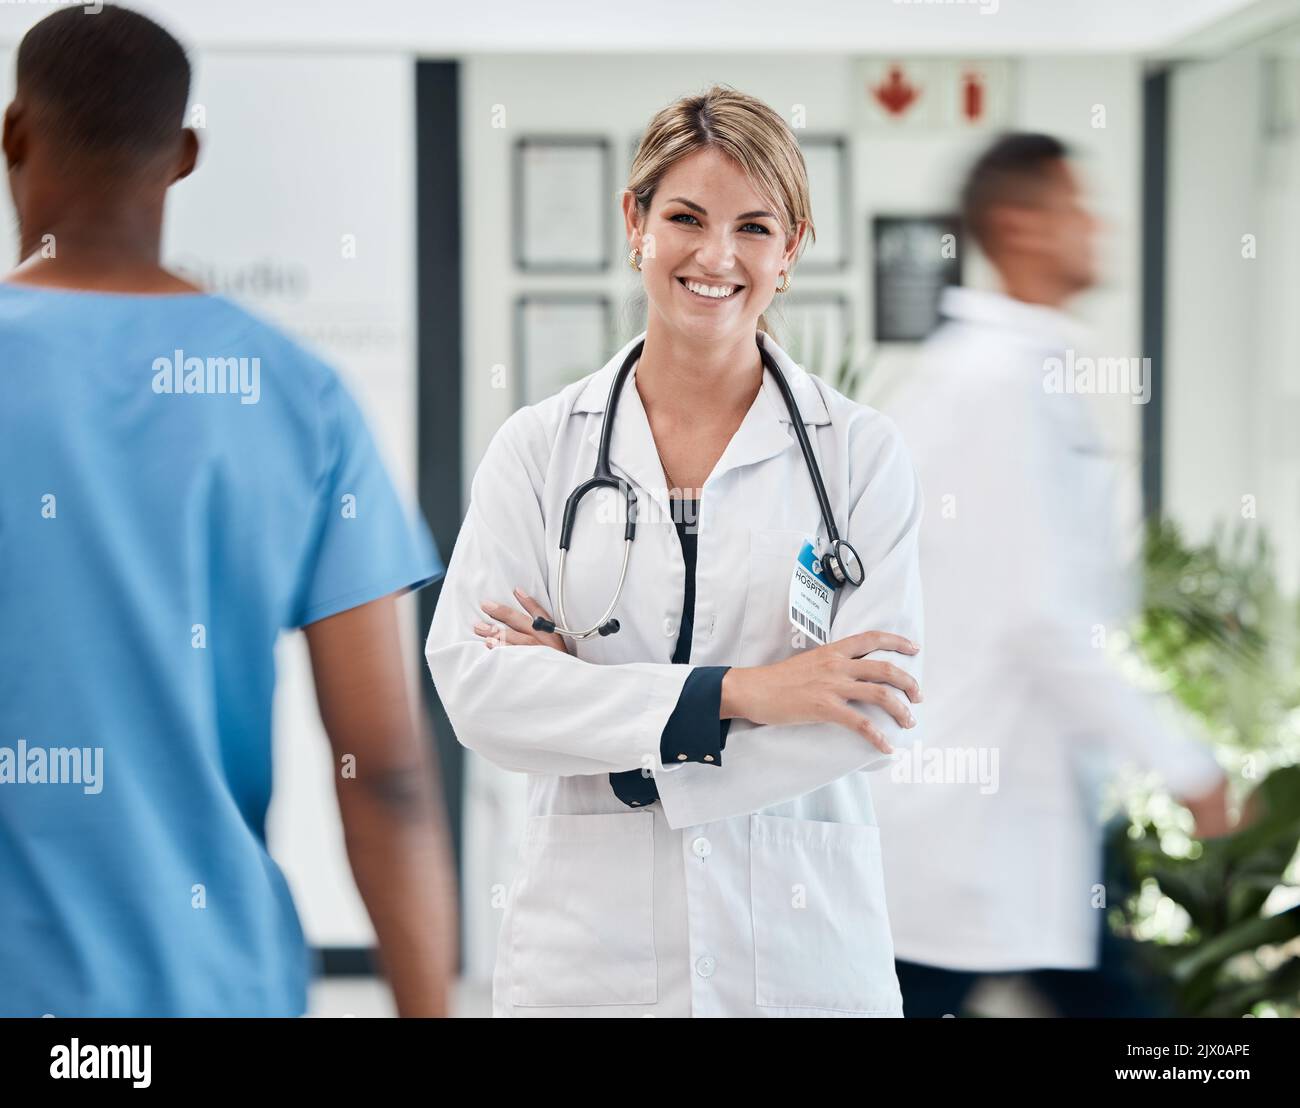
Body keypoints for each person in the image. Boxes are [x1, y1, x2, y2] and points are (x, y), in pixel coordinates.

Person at [426, 85, 924, 1018]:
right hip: (588, 964)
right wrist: (742, 694)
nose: (715, 256)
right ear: (635, 222)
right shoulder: (540, 450)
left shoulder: (860, 456)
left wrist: (598, 727)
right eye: (686, 218)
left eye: (753, 227)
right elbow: (480, 694)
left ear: (794, 247)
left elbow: (871, 714)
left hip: (800, 957)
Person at [0, 5, 456, 1016]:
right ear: (185, 156)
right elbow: (383, 772)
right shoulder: (298, 396)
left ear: (13, 134)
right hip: (216, 988)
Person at [873, 132, 1236, 1017]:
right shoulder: (994, 385)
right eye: (1077, 206)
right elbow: (1039, 619)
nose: (1097, 225)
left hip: (1006, 818)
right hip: (966, 813)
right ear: (1019, 225)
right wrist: (1187, 767)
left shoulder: (1015, 374)